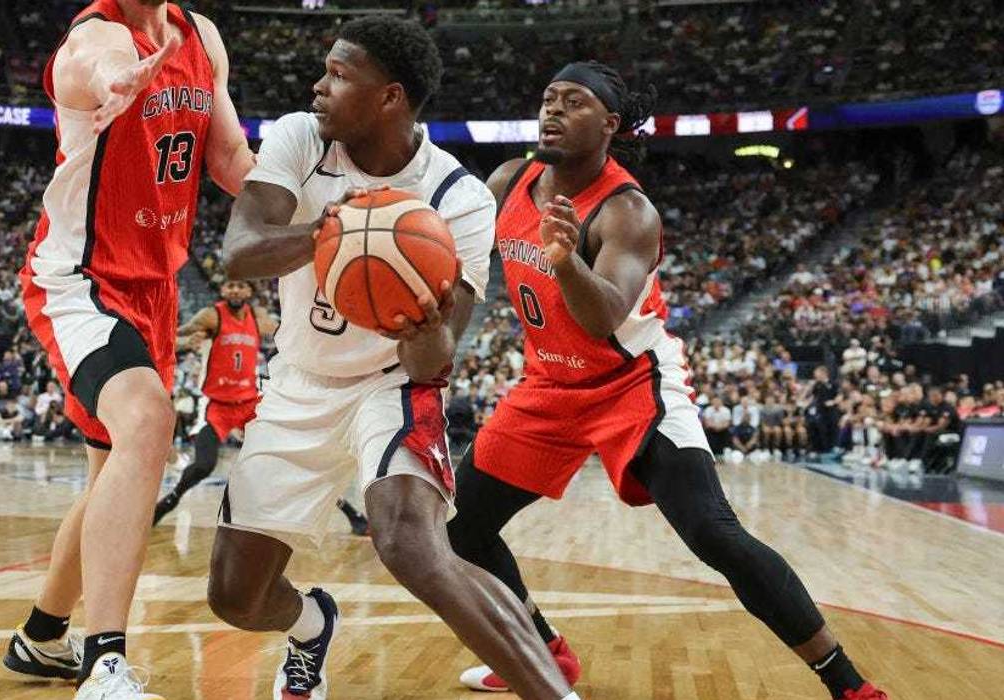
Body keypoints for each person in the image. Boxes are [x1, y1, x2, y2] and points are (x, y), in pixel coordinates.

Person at [445, 61, 888, 700]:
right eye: (548, 98)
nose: (553, 111)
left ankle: (847, 683)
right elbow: (452, 245)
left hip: (632, 387)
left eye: (573, 102)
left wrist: (565, 262)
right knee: (462, 525)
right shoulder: (510, 179)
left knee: (713, 532)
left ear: (610, 124)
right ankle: (545, 652)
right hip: (548, 386)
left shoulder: (628, 211)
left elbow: (601, 318)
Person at [205, 16, 579, 700]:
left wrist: (423, 319)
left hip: (388, 385)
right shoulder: (299, 137)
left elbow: (432, 365)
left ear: (390, 98)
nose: (319, 86)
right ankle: (310, 624)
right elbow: (240, 250)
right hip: (297, 381)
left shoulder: (455, 198)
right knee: (234, 598)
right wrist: (331, 231)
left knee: (411, 544)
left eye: (340, 75)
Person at [4, 0, 254, 697]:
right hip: (81, 278)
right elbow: (97, 62)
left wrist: (310, 195)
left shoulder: (201, 36)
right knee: (146, 420)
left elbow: (229, 159)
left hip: (157, 289)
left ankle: (41, 636)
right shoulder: (95, 37)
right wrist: (117, 81)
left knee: (116, 470)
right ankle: (104, 662)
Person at [152, 280, 276, 524]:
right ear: (222, 290)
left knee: (285, 454)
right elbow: (176, 334)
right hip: (216, 405)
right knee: (204, 465)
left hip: (250, 403)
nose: (235, 290)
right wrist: (187, 342)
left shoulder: (258, 319)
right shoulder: (211, 316)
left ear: (249, 291)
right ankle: (170, 501)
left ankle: (347, 511)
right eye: (230, 285)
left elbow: (284, 331)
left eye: (240, 286)